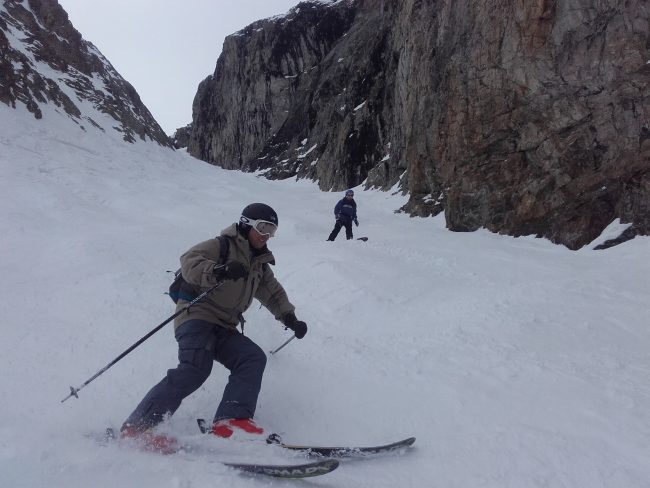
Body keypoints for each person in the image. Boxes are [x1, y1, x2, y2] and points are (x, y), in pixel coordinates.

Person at [120, 203, 307, 452]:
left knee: (252, 358)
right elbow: (190, 261)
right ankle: (138, 427)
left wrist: (289, 318)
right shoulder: (222, 245)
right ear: (246, 224)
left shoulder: (259, 264)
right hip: (196, 316)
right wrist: (219, 270)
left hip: (224, 326)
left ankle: (232, 421)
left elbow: (273, 294)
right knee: (196, 368)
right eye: (262, 227)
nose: (266, 235)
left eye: (271, 230)